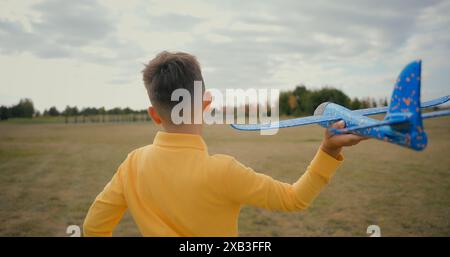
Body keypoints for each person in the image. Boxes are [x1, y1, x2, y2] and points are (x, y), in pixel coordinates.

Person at [83, 51, 366, 236]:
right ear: (206, 104)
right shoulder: (224, 171)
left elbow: (93, 228)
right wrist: (328, 150)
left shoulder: (132, 164)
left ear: (154, 114)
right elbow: (294, 199)